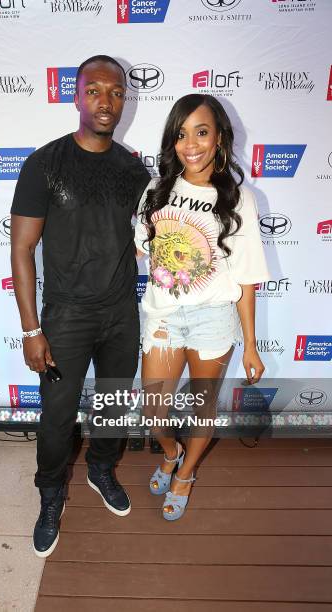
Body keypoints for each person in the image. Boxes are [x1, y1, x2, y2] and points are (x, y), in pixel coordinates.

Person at [10, 55, 151, 557]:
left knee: (113, 407)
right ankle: (50, 496)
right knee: (56, 417)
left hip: (120, 314)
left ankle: (99, 470)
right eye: (95, 91)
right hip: (65, 316)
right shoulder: (44, 164)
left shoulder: (133, 169)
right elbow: (22, 249)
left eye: (116, 92)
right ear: (76, 96)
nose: (106, 101)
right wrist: (31, 331)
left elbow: (146, 240)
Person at [135, 93, 270, 521]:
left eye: (201, 131)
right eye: (181, 134)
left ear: (220, 139)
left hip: (214, 319)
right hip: (163, 316)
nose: (190, 143)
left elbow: (247, 279)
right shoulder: (156, 191)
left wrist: (250, 345)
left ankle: (185, 474)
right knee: (154, 409)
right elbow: (141, 251)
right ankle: (171, 451)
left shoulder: (239, 199)